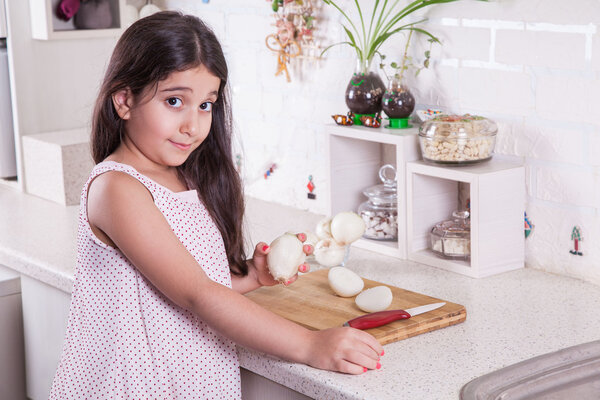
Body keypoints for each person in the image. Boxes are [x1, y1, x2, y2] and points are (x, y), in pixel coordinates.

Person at [49, 11, 383, 399]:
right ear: (124, 100)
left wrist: (251, 279)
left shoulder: (185, 177)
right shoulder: (117, 188)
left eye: (206, 105)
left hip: (187, 377)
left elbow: (191, 283)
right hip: (132, 385)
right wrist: (310, 345)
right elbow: (198, 294)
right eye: (175, 101)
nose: (194, 125)